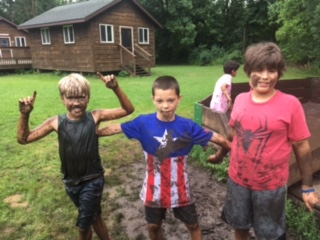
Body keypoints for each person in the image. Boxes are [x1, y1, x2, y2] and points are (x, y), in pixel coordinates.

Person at [97, 75, 232, 240]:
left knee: (193, 225)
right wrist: (90, 131)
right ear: (153, 100)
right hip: (154, 188)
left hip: (181, 188)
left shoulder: (188, 126)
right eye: (160, 101)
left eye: (170, 100)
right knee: (153, 226)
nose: (166, 106)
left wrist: (219, 156)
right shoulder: (143, 123)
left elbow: (222, 140)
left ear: (179, 99)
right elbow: (115, 128)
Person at [17, 73, 134, 240]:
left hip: (92, 179)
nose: (77, 102)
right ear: (62, 98)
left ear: (88, 97)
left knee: (83, 226)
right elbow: (24, 139)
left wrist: (115, 88)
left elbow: (127, 110)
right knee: (94, 218)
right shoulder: (56, 122)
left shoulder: (95, 116)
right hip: (71, 182)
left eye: (81, 97)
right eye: (71, 98)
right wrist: (25, 114)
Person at [221, 42, 319, 240]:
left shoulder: (290, 104)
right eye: (258, 69)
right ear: (249, 72)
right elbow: (234, 133)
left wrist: (308, 187)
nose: (265, 76)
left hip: (270, 187)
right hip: (237, 180)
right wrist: (220, 153)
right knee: (239, 226)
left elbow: (302, 147)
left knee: (269, 234)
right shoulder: (239, 99)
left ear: (279, 73)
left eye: (272, 70)